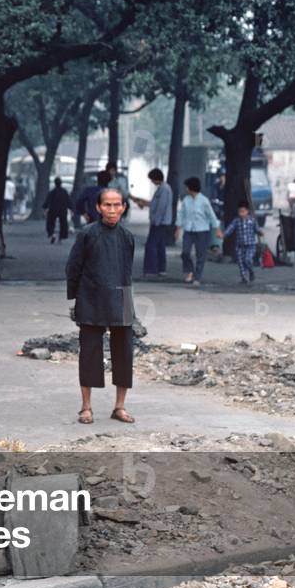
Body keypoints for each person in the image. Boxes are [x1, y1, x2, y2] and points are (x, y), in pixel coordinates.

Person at [66, 188, 136, 425]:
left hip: (122, 297)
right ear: (98, 207)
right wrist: (75, 300)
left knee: (125, 353)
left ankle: (120, 406)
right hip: (91, 297)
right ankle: (86, 407)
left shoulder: (127, 237)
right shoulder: (87, 234)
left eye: (117, 205)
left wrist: (129, 304)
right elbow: (73, 267)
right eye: (107, 205)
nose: (112, 210)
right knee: (89, 353)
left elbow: (127, 271)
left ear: (124, 207)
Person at [174, 177, 222, 286]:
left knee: (201, 254)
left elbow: (211, 215)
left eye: (187, 187)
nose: (186, 189)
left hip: (202, 230)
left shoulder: (204, 200)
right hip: (189, 230)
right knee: (185, 252)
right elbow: (181, 215)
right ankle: (189, 271)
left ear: (191, 188)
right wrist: (177, 229)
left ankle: (197, 277)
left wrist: (217, 229)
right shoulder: (186, 200)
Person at [131, 168, 174, 277]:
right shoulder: (163, 188)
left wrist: (156, 221)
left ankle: (151, 269)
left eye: (152, 179)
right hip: (161, 222)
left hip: (159, 222)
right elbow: (155, 204)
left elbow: (161, 207)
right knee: (160, 245)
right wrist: (143, 203)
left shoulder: (164, 189)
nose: (151, 181)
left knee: (151, 245)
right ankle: (160, 269)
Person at [223, 202, 263, 284]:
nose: (241, 214)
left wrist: (260, 232)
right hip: (239, 246)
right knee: (240, 261)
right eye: (240, 212)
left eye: (243, 211)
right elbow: (230, 229)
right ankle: (244, 277)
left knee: (247, 259)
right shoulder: (236, 221)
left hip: (250, 245)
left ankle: (251, 272)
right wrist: (223, 234)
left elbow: (257, 229)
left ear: (247, 211)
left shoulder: (252, 220)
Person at [43, 176, 72, 243]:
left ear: (55, 183)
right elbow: (68, 200)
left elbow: (47, 201)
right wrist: (71, 208)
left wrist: (45, 208)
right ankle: (61, 237)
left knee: (50, 222)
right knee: (63, 223)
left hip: (53, 209)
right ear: (61, 183)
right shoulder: (64, 191)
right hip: (63, 210)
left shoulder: (52, 192)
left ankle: (52, 234)